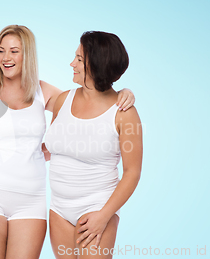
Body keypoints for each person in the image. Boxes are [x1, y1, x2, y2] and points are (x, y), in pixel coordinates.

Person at [0, 25, 136, 259]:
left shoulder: (45, 93)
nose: (6, 58)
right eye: (1, 51)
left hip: (31, 201)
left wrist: (124, 92)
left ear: (27, 54)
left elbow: (88, 106)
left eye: (14, 51)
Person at [44, 31, 143, 259]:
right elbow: (60, 146)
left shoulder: (124, 114)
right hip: (59, 209)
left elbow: (132, 173)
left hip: (97, 208)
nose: (72, 63)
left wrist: (103, 216)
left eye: (79, 59)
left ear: (97, 65)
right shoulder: (62, 100)